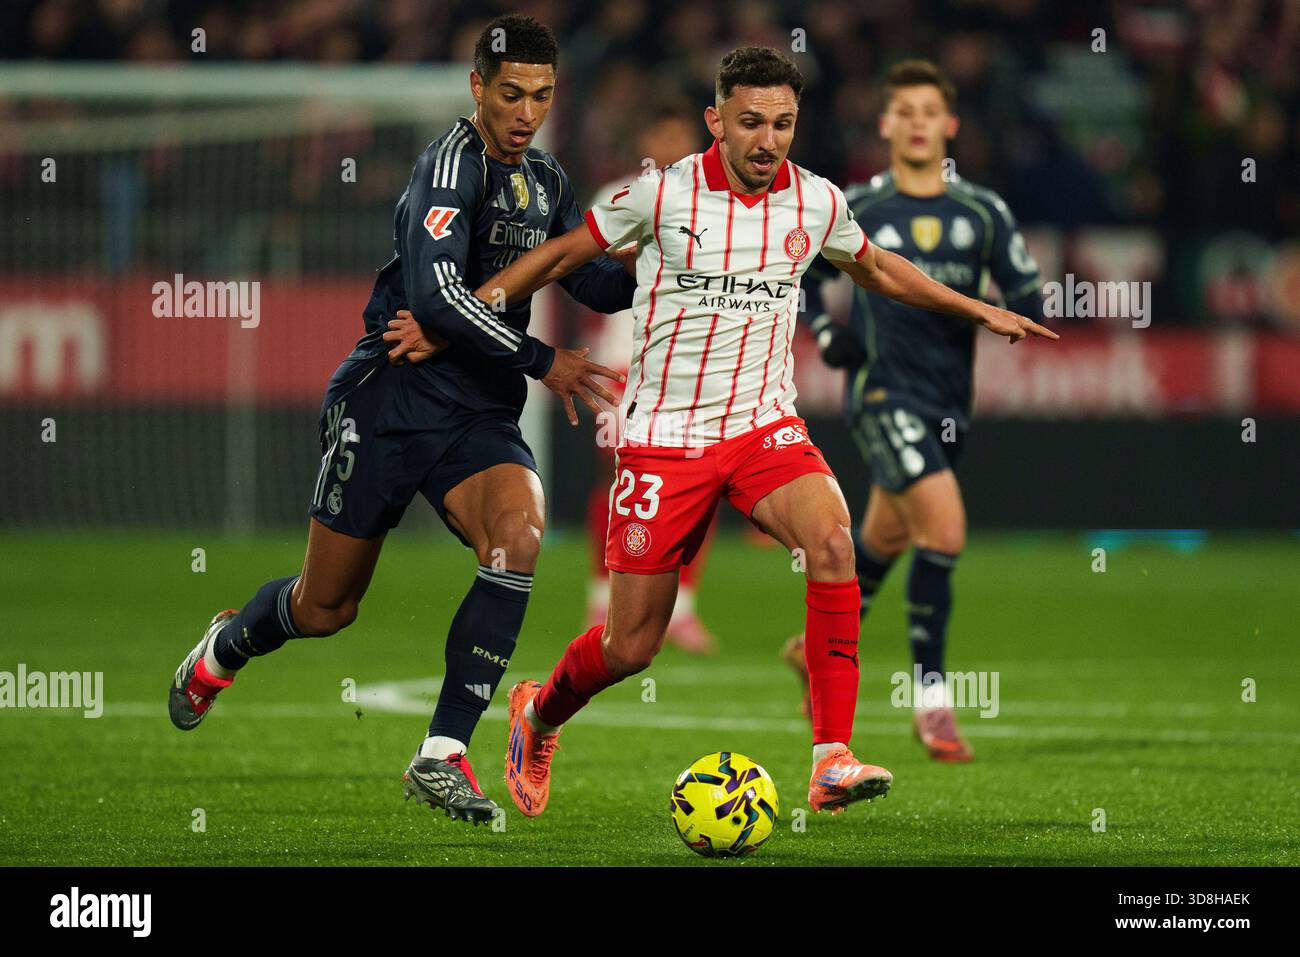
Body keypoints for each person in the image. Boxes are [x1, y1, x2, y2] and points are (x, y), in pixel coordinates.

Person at [437, 46, 1054, 819]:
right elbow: (566, 253)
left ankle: (830, 757)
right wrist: (467, 304)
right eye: (752, 121)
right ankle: (540, 713)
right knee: (631, 646)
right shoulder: (660, 195)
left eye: (784, 123)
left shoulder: (818, 203)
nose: (768, 140)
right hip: (666, 435)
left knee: (832, 545)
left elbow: (879, 268)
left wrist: (978, 308)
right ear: (717, 120)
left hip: (764, 423)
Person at [167, 15, 632, 826]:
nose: (527, 113)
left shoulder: (549, 180)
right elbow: (435, 297)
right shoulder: (449, 167)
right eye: (513, 94)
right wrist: (541, 360)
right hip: (391, 397)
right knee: (326, 608)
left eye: (543, 96)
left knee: (519, 534)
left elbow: (589, 285)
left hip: (478, 408)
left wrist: (666, 259)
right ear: (478, 88)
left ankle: (442, 753)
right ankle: (225, 646)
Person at [785, 60, 1046, 762]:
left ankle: (808, 652)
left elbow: (1028, 290)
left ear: (950, 124)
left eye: (931, 110)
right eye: (905, 111)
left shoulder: (982, 212)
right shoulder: (858, 206)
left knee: (882, 544)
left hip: (948, 404)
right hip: (880, 394)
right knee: (947, 529)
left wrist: (1017, 310)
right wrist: (826, 332)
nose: (919, 123)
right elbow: (800, 274)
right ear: (886, 124)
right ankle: (932, 701)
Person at [583, 98, 719, 654]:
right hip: (624, 365)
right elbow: (590, 265)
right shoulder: (621, 197)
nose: (668, 149)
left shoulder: (717, 205)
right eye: (659, 137)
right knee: (623, 482)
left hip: (691, 370)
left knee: (703, 486)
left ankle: (681, 608)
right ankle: (603, 599)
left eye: (678, 137)